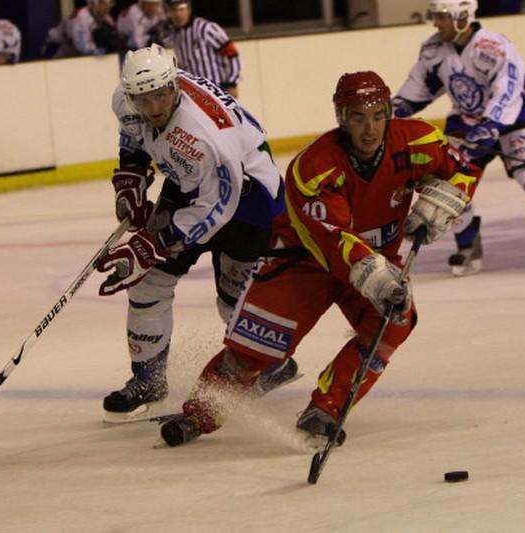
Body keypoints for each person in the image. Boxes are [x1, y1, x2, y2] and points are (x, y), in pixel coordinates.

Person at [153, 71, 483, 447]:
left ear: (389, 113)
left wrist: (445, 199)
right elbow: (331, 239)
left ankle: (327, 408)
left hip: (373, 260)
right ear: (341, 118)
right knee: (251, 354)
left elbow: (463, 170)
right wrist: (373, 271)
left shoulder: (417, 140)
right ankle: (200, 412)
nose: (370, 128)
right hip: (304, 261)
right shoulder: (314, 167)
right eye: (358, 117)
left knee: (393, 322)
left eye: (378, 115)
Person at [94, 44, 290, 423]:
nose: (154, 107)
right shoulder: (126, 99)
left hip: (249, 202)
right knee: (148, 280)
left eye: (161, 95)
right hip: (191, 182)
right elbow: (134, 135)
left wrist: (153, 243)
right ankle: (148, 381)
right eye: (144, 99)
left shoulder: (205, 137)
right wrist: (131, 175)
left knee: (234, 302)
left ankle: (270, 364)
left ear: (175, 86)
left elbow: (218, 206)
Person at [393, 0, 525, 274]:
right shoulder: (434, 49)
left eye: (442, 16)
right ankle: (467, 246)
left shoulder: (494, 47)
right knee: (449, 179)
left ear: (462, 17)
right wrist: (391, 113)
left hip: (514, 117)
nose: (436, 23)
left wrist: (490, 127)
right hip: (466, 120)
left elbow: (509, 90)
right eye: (436, 16)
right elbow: (418, 87)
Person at [164, 0, 240, 98]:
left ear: (189, 10)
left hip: (217, 89)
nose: (178, 14)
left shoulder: (205, 28)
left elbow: (231, 52)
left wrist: (232, 83)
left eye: (181, 9)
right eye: (173, 10)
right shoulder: (174, 34)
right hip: (194, 92)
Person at [42, 0, 122, 58]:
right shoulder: (81, 16)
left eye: (109, 3)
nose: (107, 7)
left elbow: (114, 38)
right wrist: (95, 50)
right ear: (93, 3)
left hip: (75, 52)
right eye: (103, 3)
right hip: (57, 48)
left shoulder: (107, 18)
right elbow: (81, 46)